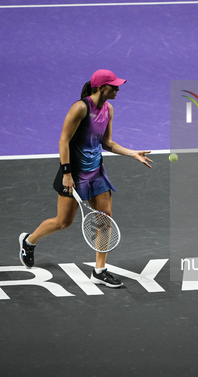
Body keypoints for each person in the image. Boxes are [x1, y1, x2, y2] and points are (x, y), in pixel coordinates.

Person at [19, 69, 152, 288]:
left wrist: (132, 153)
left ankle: (99, 271)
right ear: (101, 88)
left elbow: (107, 143)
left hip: (96, 172)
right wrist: (67, 173)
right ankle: (29, 240)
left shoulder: (108, 108)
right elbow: (64, 141)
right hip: (75, 173)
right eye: (113, 85)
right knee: (63, 222)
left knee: (105, 219)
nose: (117, 89)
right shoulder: (80, 108)